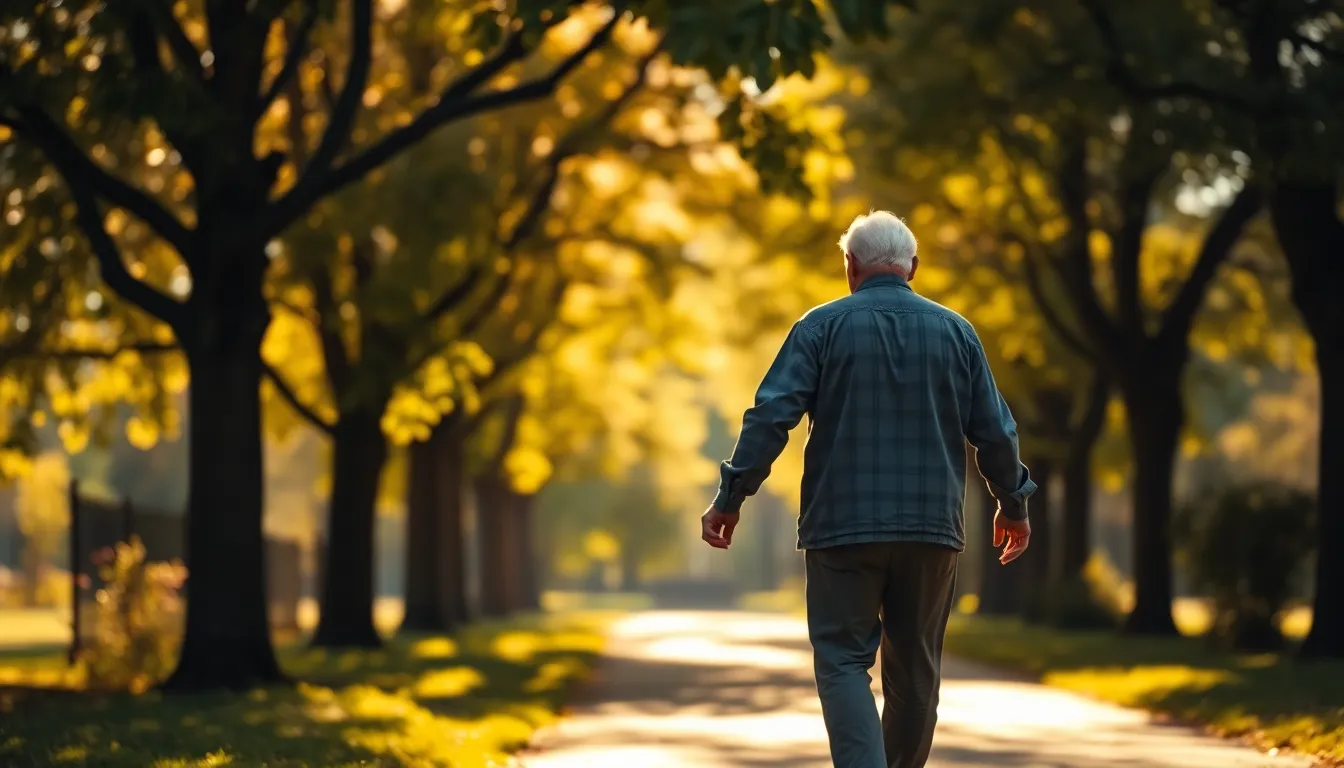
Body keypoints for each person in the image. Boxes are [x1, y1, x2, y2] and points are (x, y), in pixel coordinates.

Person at [701, 211, 1036, 768]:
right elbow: (996, 431)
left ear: (850, 267)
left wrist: (731, 496)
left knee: (841, 661)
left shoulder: (820, 327)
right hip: (931, 530)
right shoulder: (957, 332)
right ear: (914, 267)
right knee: (916, 671)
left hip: (843, 527)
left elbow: (771, 417)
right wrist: (1013, 502)